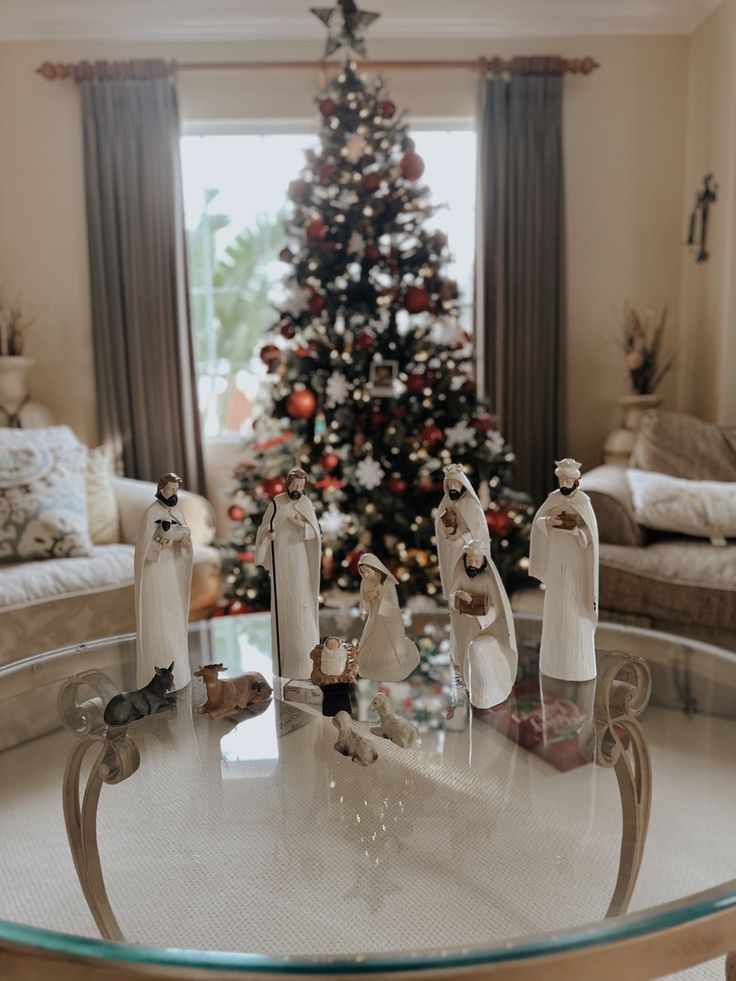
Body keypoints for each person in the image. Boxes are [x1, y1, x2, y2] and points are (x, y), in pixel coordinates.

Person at [529, 458, 599, 681]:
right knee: (556, 607)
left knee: (575, 608)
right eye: (562, 480)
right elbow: (537, 523)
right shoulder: (554, 499)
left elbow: (592, 536)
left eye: (569, 480)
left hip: (576, 565)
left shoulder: (584, 503)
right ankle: (552, 661)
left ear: (576, 481)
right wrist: (549, 521)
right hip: (556, 561)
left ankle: (576, 665)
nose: (565, 483)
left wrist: (579, 533)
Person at [255, 468, 321, 679]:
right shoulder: (277, 503)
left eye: (302, 487)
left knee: (301, 600)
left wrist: (302, 525)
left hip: (299, 558)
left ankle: (306, 658)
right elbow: (264, 528)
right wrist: (268, 535)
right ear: (288, 484)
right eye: (295, 486)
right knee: (285, 602)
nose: (298, 490)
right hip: (282, 558)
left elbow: (315, 533)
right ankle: (286, 662)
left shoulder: (306, 504)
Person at [135, 473, 193, 690]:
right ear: (161, 489)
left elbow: (187, 544)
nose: (173, 494)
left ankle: (179, 670)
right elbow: (143, 549)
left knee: (173, 615)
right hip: (155, 572)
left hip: (172, 572)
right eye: (170, 490)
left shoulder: (177, 512)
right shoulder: (152, 513)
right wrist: (159, 546)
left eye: (176, 490)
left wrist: (184, 541)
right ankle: (158, 677)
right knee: (158, 616)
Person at [447, 539, 517, 709]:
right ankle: (472, 686)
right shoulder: (461, 576)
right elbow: (451, 597)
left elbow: (497, 607)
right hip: (465, 626)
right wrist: (459, 597)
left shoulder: (487, 580)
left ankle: (487, 687)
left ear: (484, 562)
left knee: (478, 652)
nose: (473, 563)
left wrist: (479, 613)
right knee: (466, 655)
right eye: (470, 560)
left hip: (484, 627)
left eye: (476, 560)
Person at [357, 553, 419, 682]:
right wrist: (369, 597)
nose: (366, 575)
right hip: (375, 615)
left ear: (375, 568)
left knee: (390, 641)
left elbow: (393, 604)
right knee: (373, 638)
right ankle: (374, 665)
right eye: (363, 572)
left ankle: (391, 665)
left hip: (389, 616)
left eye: (368, 571)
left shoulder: (388, 583)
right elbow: (364, 600)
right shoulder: (365, 582)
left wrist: (378, 595)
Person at [435, 463, 490, 599]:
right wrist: (446, 532)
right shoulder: (446, 503)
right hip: (451, 549)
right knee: (453, 578)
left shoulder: (471, 504)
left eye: (456, 483)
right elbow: (439, 525)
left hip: (467, 551)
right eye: (450, 483)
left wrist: (463, 539)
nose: (453, 487)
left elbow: (479, 530)